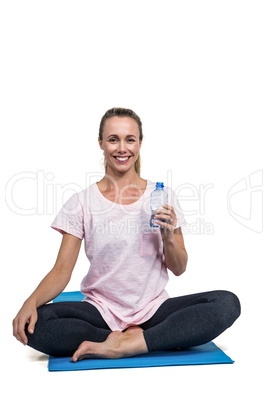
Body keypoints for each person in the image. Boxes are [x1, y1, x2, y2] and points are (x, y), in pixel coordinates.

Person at [13, 107, 241, 362]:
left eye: (130, 139)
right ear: (101, 143)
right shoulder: (81, 203)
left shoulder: (162, 196)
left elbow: (179, 268)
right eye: (113, 139)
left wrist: (167, 237)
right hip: (101, 310)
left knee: (226, 304)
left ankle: (130, 343)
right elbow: (61, 271)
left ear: (140, 143)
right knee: (37, 323)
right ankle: (142, 338)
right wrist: (29, 303)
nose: (122, 148)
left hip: (153, 309)